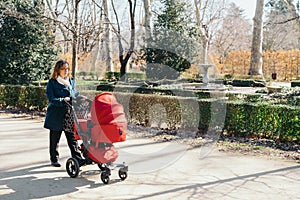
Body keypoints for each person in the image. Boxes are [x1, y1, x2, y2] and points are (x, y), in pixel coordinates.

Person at [44, 60, 84, 167]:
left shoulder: (71, 81)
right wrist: (63, 100)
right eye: (63, 69)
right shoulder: (52, 82)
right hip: (56, 114)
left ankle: (77, 159)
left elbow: (75, 94)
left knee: (72, 138)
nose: (66, 71)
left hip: (69, 114)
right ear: (58, 70)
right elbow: (51, 98)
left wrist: (80, 99)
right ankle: (54, 159)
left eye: (67, 68)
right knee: (55, 139)